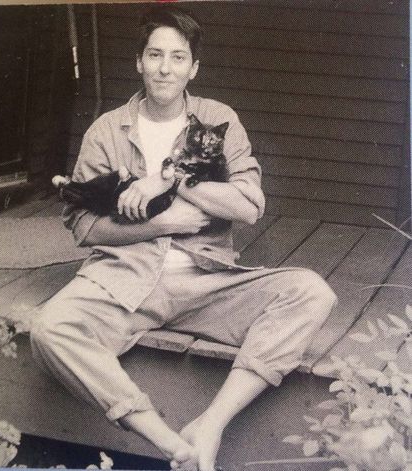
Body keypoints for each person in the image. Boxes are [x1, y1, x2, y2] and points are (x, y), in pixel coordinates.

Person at [30, 6, 337, 471]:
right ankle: (162, 436)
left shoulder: (217, 119)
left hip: (206, 279)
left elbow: (249, 206)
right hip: (126, 278)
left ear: (194, 67)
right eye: (155, 55)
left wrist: (170, 181)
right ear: (139, 62)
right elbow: (83, 227)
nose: (165, 68)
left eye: (178, 57)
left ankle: (210, 423)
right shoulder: (107, 131)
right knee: (50, 329)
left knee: (311, 291)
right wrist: (164, 224)